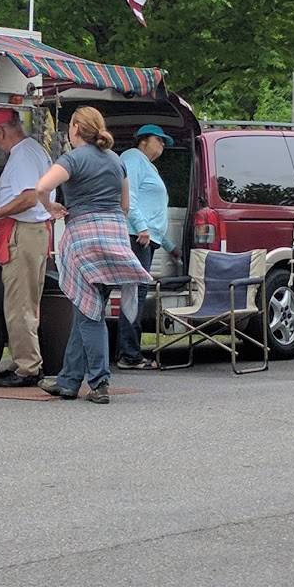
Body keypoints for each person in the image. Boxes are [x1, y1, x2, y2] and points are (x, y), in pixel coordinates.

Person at [35, 106, 151, 404]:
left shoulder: (72, 159)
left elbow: (42, 187)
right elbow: (125, 206)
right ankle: (69, 381)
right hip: (115, 239)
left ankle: (100, 382)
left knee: (90, 314)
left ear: (75, 128)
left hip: (84, 240)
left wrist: (51, 207)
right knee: (86, 308)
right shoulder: (116, 161)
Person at [0, 108, 53, 387]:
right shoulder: (35, 151)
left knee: (19, 304)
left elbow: (29, 197)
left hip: (24, 233)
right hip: (35, 232)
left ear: (0, 131)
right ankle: (28, 360)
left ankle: (27, 368)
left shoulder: (22, 156)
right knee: (28, 303)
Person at [116, 124, 180, 371]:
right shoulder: (133, 158)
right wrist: (141, 227)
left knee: (137, 293)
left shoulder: (148, 165)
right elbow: (128, 196)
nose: (162, 145)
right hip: (136, 236)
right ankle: (129, 355)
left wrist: (170, 245)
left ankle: (128, 350)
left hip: (146, 237)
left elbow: (154, 212)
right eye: (159, 140)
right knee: (134, 293)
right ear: (143, 141)